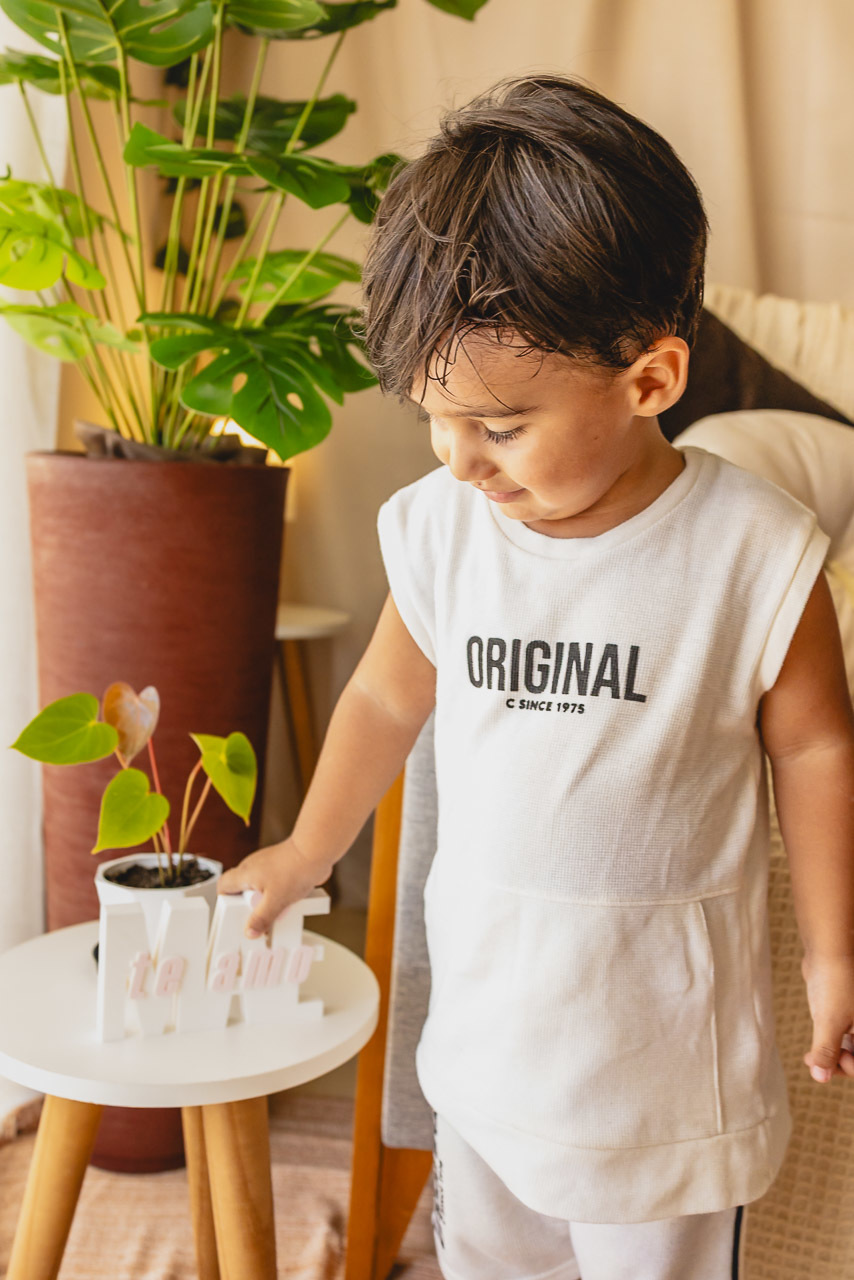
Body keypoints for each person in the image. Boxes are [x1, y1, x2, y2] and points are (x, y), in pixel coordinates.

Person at [217, 74, 854, 1280]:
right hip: (488, 1065)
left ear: (649, 379)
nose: (458, 458)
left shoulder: (755, 554)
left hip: (668, 1100)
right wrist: (305, 850)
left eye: (499, 427)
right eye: (433, 417)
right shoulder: (444, 531)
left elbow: (817, 747)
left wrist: (832, 954)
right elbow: (384, 698)